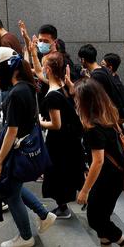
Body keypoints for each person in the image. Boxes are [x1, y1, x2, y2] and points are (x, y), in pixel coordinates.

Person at [0, 47, 56, 247]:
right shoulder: (28, 86)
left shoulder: (16, 93)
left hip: (16, 149)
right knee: (14, 188)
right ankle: (43, 214)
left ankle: (26, 237)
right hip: (25, 146)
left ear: (8, 70)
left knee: (11, 193)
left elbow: (11, 131)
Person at [73, 78, 124, 247]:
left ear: (85, 102)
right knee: (102, 216)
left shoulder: (93, 128)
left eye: (76, 98)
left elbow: (98, 161)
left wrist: (84, 190)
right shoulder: (107, 117)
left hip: (107, 178)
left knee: (95, 219)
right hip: (115, 175)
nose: (74, 101)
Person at [39, 52, 85, 219]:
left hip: (59, 143)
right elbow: (37, 73)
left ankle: (64, 207)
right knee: (71, 172)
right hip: (70, 140)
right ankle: (69, 203)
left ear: (49, 69)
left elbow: (55, 124)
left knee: (59, 174)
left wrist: (39, 122)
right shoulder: (63, 86)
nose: (42, 69)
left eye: (44, 66)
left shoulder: (52, 95)